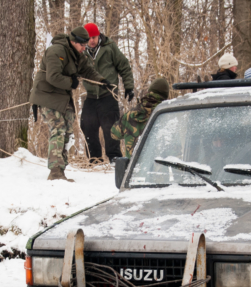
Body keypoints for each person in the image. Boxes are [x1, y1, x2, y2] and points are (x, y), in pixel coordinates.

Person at [30, 26, 107, 181]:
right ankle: (55, 171)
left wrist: (102, 81)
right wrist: (70, 82)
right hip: (47, 95)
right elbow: (53, 77)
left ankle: (61, 169)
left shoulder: (77, 54)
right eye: (82, 45)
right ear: (73, 41)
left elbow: (87, 71)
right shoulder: (56, 51)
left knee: (67, 131)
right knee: (58, 129)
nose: (84, 48)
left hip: (62, 96)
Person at [80, 23, 134, 163]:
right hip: (91, 96)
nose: (92, 40)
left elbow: (124, 66)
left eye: (94, 37)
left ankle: (114, 158)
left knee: (111, 129)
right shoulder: (81, 51)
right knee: (87, 125)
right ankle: (95, 158)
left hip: (108, 96)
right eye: (89, 38)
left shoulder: (109, 48)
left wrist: (129, 86)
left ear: (99, 36)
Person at [110, 77, 170, 157]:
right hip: (159, 168)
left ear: (148, 92)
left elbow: (114, 134)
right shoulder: (167, 115)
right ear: (165, 96)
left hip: (133, 168)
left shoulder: (130, 115)